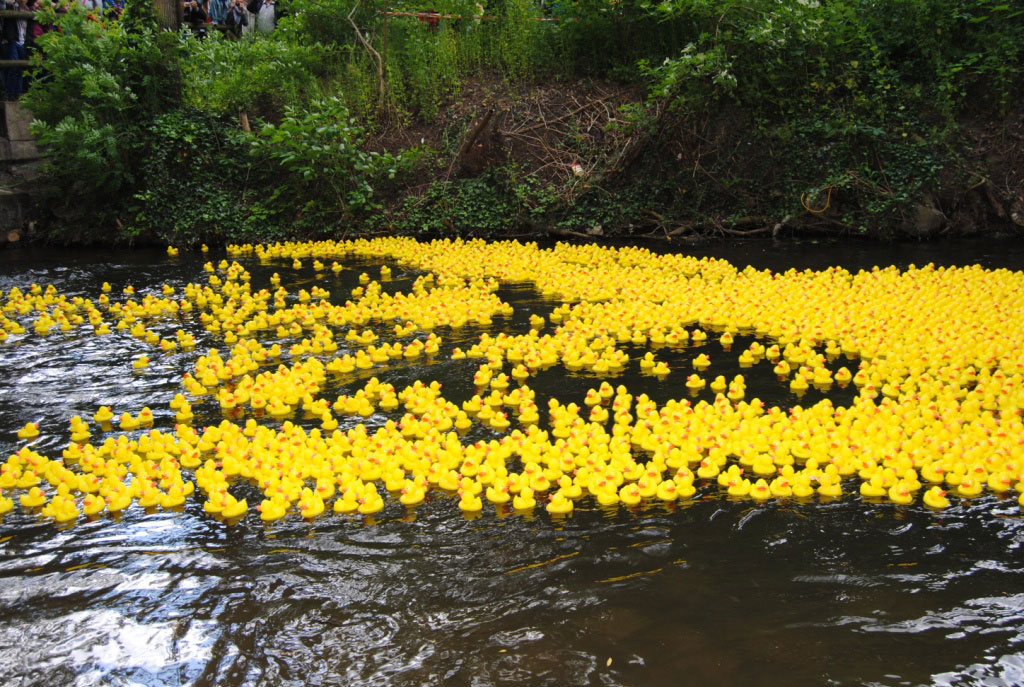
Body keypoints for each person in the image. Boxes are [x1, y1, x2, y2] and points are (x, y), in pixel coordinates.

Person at [2, 0, 31, 99]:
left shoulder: (28, 8)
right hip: (12, 40)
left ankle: (18, 93)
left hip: (23, 41)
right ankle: (10, 93)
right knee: (13, 67)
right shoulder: (10, 5)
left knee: (21, 68)